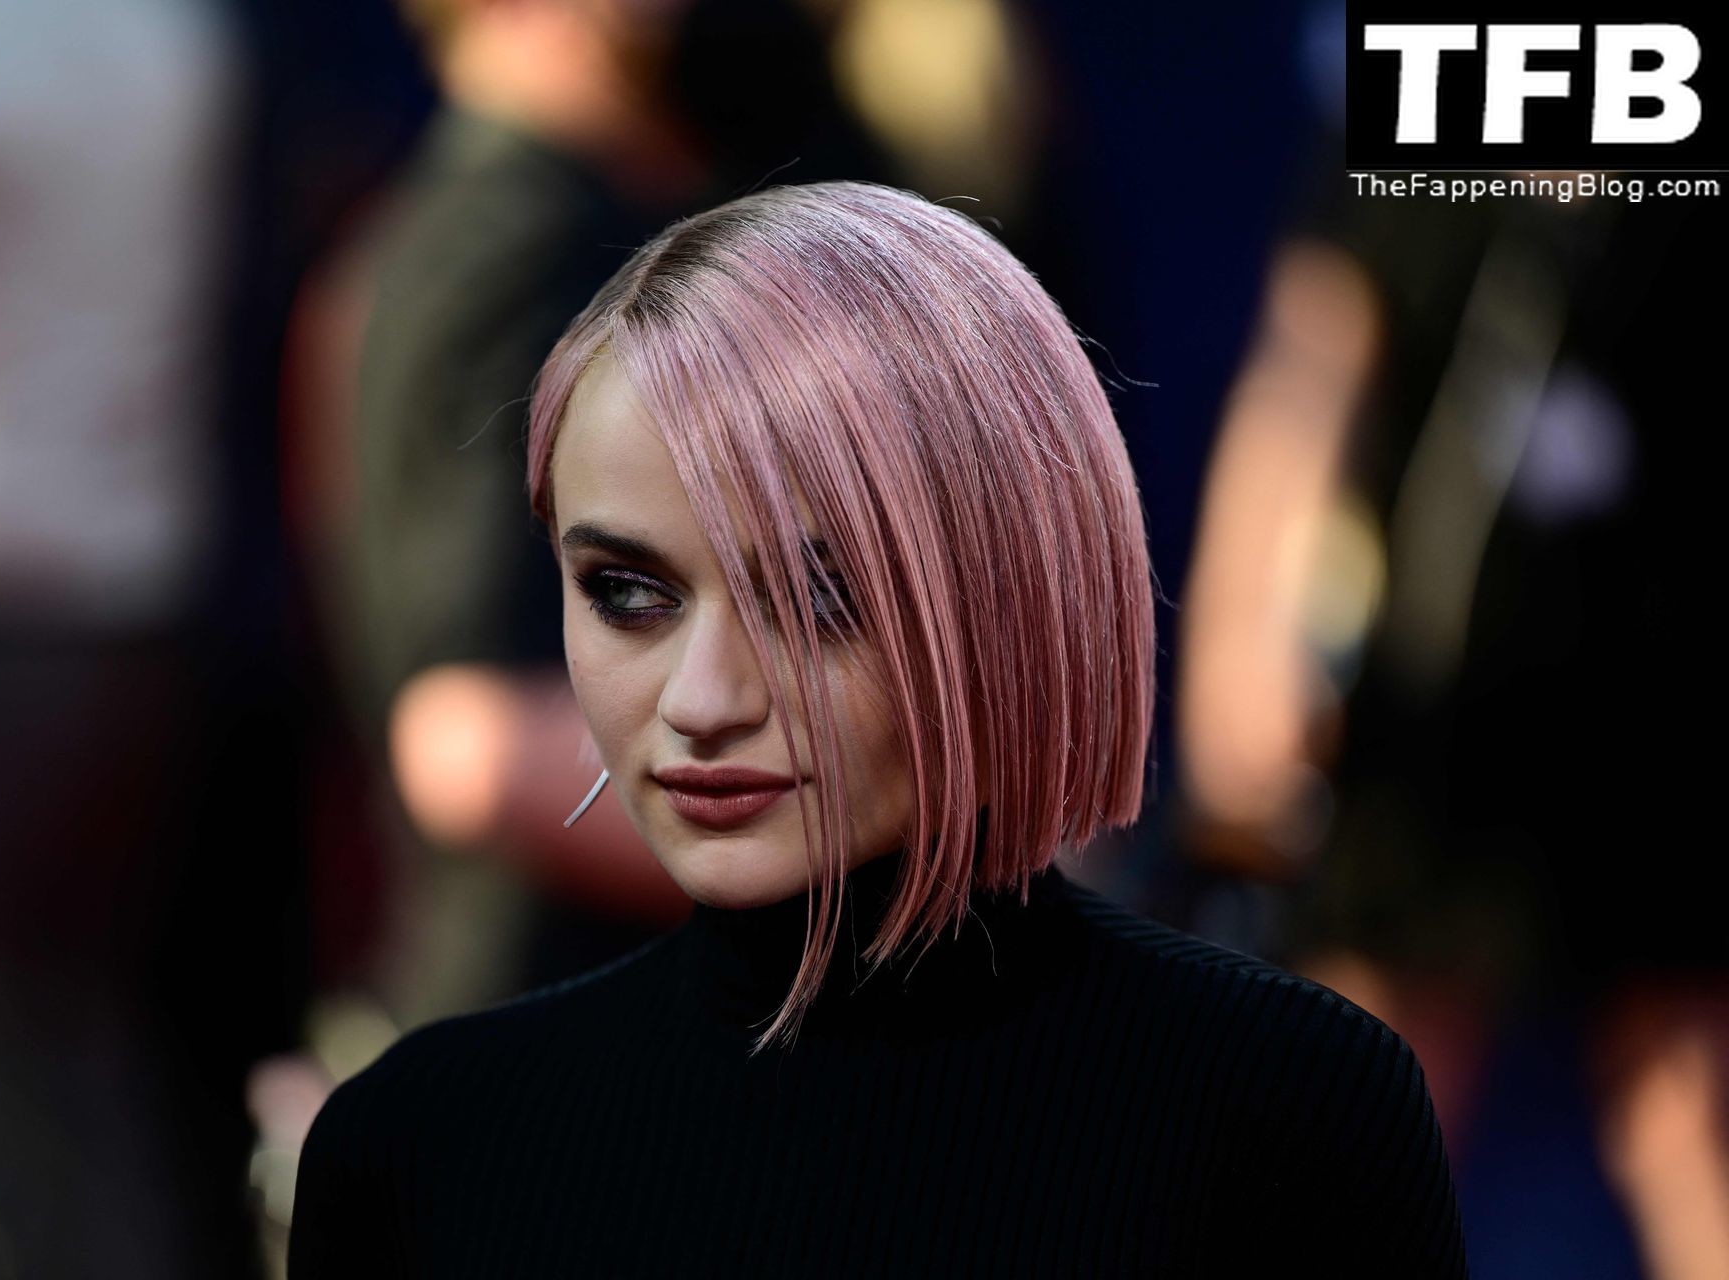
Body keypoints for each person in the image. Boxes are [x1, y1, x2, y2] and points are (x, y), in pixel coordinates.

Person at [285, 180, 1468, 1277]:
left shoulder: (1289, 1109)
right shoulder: (419, 1146)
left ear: (1016, 589)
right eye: (628, 592)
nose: (703, 698)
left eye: (818, 598)